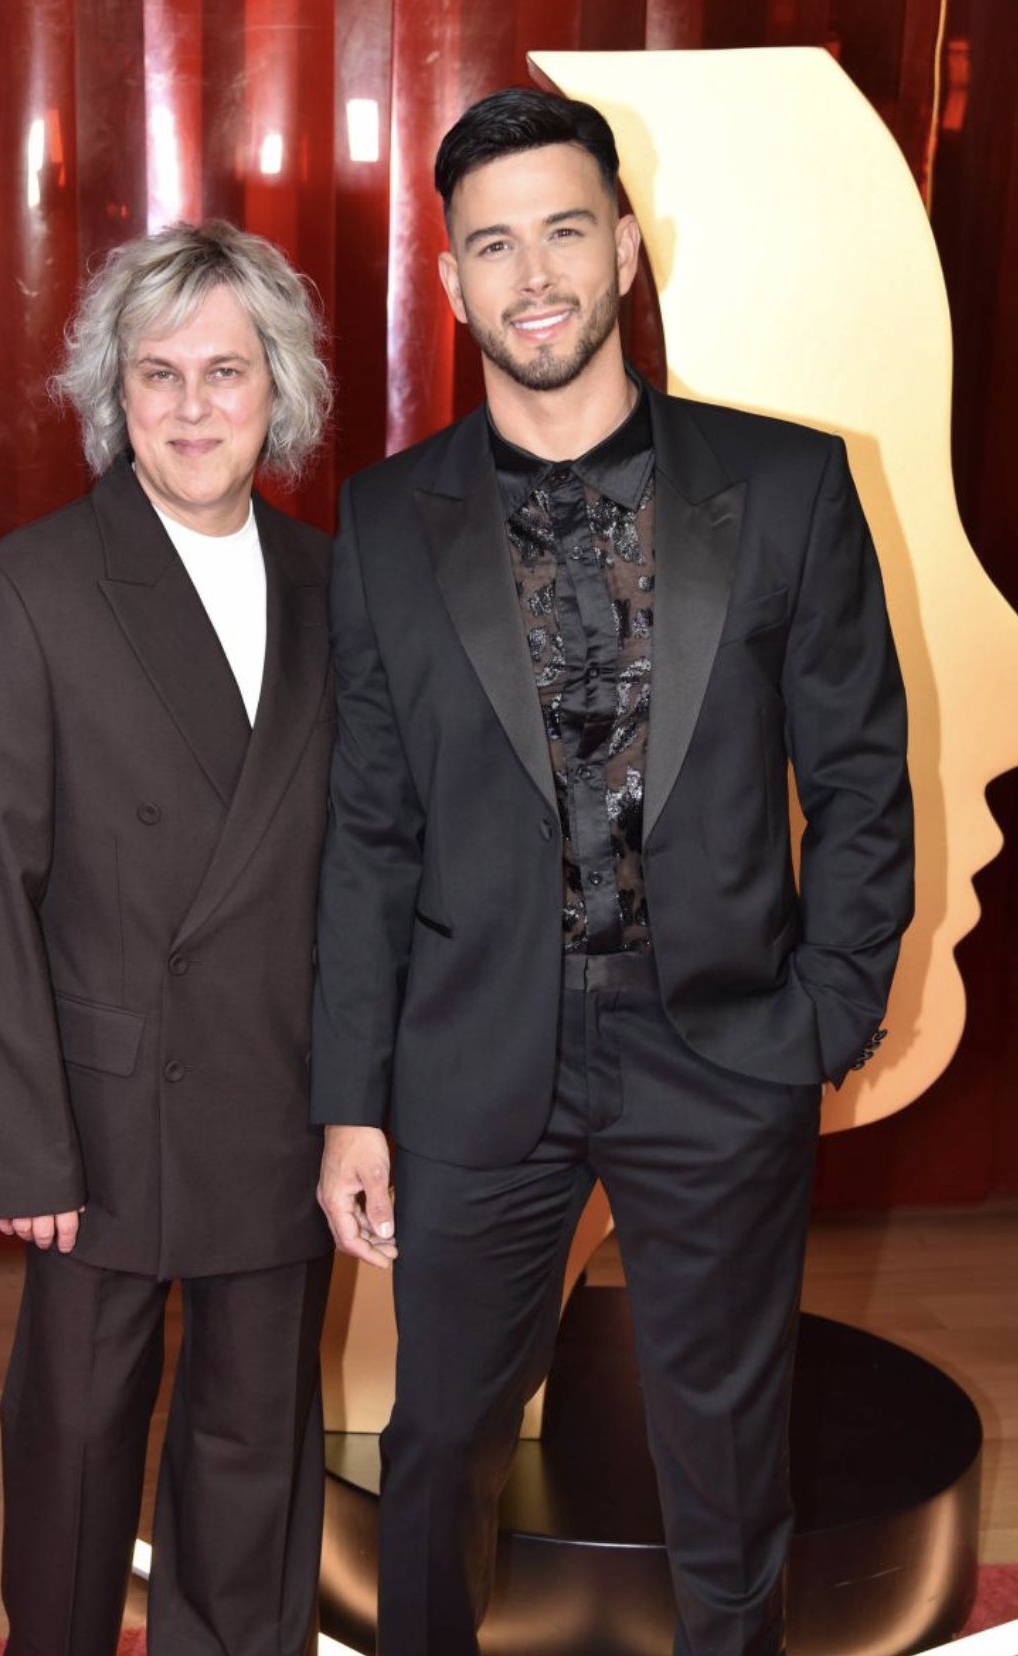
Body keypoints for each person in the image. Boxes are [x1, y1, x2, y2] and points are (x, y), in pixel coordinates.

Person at [312, 87, 913, 1656]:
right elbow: (368, 827)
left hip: (720, 1048)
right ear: (450, 283)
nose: (532, 274)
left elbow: (857, 775)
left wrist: (826, 1016)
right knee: (439, 1441)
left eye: (563, 231)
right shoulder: (380, 523)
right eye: (491, 244)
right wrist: (350, 1098)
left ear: (625, 253)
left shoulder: (785, 487)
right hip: (469, 1054)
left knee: (721, 1461)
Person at [0, 220, 335, 1656]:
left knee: (254, 1449)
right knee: (74, 1451)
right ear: (113, 393)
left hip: (280, 1094)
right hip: (102, 1116)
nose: (188, 407)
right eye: (154, 373)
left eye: (224, 371)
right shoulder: (27, 588)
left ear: (275, 386)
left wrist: (362, 1107)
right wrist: (26, 1145)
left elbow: (362, 873)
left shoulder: (332, 584)